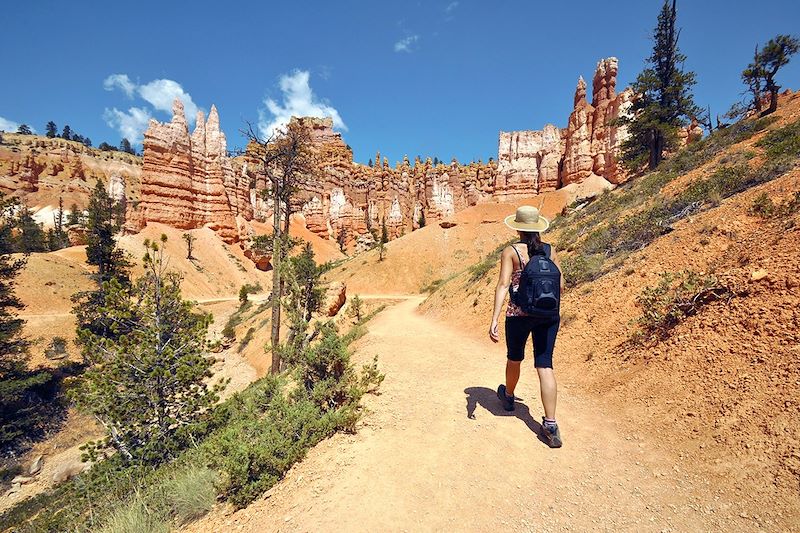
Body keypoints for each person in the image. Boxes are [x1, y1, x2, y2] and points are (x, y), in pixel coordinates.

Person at [488, 205, 565, 448]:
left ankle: (509, 397)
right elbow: (562, 285)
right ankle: (550, 425)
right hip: (548, 315)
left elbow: (502, 285)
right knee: (545, 365)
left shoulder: (511, 252)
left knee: (514, 358)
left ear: (518, 227)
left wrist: (494, 319)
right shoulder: (549, 250)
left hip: (518, 315)